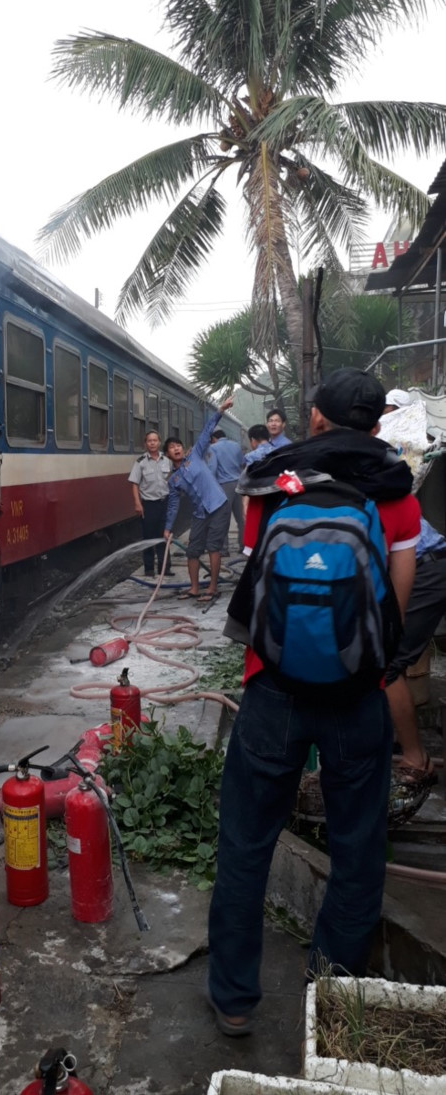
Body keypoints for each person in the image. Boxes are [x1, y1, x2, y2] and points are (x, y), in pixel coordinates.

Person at [208, 368, 420, 1037]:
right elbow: (398, 610)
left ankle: (235, 999)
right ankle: (328, 995)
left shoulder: (273, 482)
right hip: (359, 696)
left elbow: (259, 589)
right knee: (358, 847)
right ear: (377, 424)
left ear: (316, 419)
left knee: (246, 841)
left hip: (271, 688)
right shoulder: (396, 492)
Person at [384, 514, 444, 787]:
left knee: (386, 665)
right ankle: (396, 740)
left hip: (424, 567)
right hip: (421, 563)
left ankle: (415, 758)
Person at [163, 396, 234, 601]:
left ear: (182, 448)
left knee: (213, 547)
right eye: (171, 447)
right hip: (200, 513)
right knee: (193, 550)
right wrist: (168, 527)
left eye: (178, 445)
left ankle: (212, 588)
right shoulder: (173, 480)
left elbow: (206, 430)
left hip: (218, 505)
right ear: (167, 455)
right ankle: (194, 588)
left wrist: (220, 410)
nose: (176, 448)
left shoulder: (195, 455)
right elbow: (173, 505)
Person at [128, 430, 173, 577]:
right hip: (149, 504)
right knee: (148, 538)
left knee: (164, 536)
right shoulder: (140, 462)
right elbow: (134, 484)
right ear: (145, 443)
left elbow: (173, 480)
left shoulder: (167, 461)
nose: (152, 443)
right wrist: (137, 503)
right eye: (149, 441)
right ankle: (148, 569)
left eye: (155, 440)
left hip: (164, 503)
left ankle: (164, 568)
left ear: (159, 442)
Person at [206, 430, 245, 554]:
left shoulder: (213, 448)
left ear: (214, 438)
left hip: (224, 485)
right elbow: (242, 463)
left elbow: (212, 468)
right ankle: (244, 546)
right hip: (239, 484)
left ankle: (223, 548)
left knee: (223, 517)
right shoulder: (236, 446)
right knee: (241, 518)